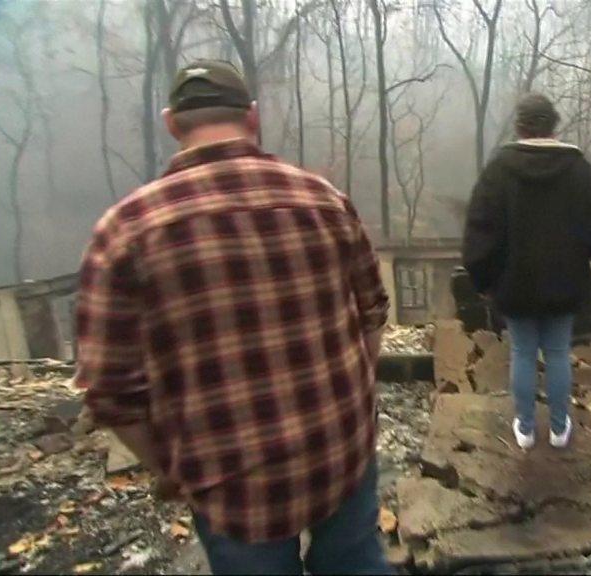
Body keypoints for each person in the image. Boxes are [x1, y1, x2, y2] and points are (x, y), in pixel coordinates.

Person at [75, 60, 391, 575]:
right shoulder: (325, 202)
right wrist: (357, 400)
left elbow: (111, 393)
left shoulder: (125, 232)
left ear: (172, 124)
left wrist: (170, 470)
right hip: (340, 449)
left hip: (228, 479)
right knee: (357, 560)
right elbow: (373, 315)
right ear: (253, 117)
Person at [462, 93, 591, 450]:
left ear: (519, 125)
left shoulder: (499, 169)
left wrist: (483, 277)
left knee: (521, 352)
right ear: (553, 125)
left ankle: (524, 428)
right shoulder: (577, 168)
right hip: (565, 283)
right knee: (557, 352)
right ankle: (559, 428)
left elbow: (480, 227)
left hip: (514, 284)